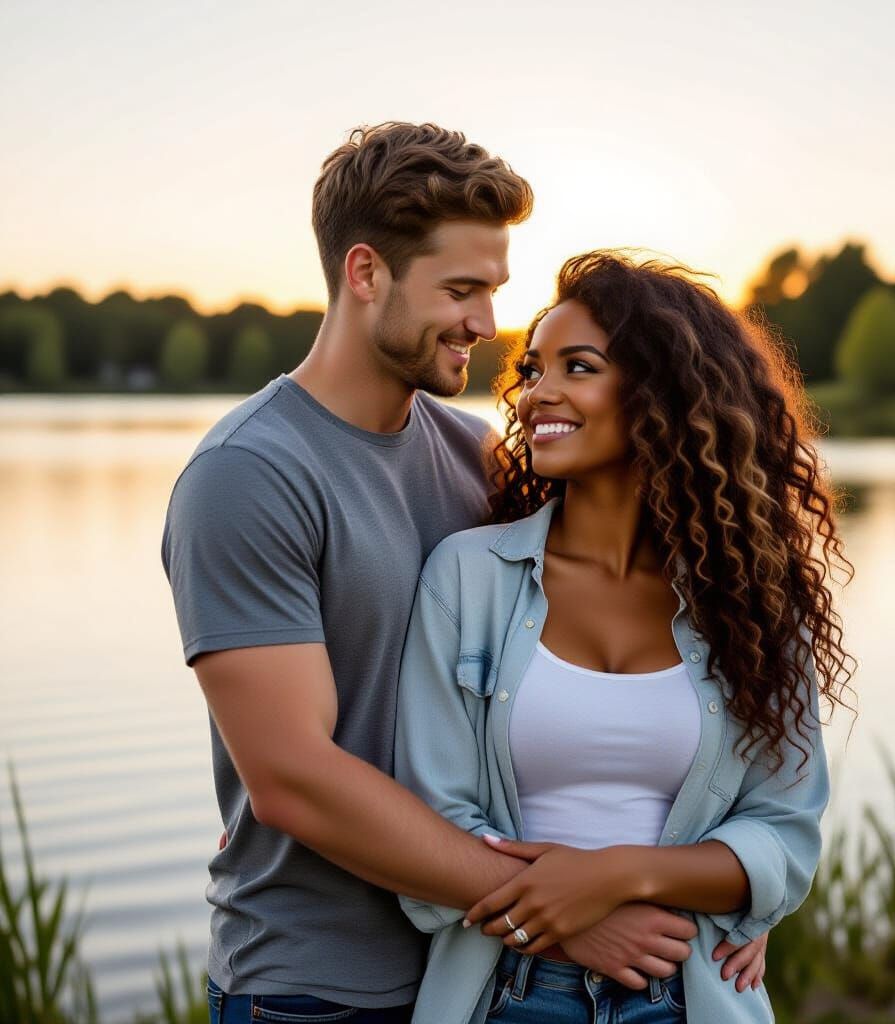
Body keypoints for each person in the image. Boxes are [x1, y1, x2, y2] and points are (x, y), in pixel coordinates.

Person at [162, 125, 765, 1024]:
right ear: (365, 274)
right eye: (461, 289)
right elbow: (292, 777)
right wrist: (566, 920)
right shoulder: (249, 474)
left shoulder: (472, 454)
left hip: (475, 975)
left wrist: (736, 889)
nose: (487, 324)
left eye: (493, 290)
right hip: (320, 983)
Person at [394, 251, 855, 1022]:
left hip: (694, 992)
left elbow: (783, 835)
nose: (539, 390)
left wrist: (615, 877)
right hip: (505, 991)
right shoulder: (467, 578)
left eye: (578, 367)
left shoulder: (753, 602)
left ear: (663, 393)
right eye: (533, 368)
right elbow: (433, 824)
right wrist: (581, 924)